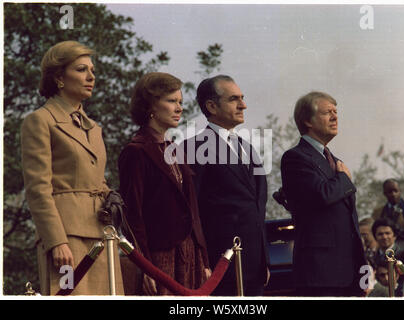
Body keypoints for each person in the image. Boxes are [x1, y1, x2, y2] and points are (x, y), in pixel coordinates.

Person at [21, 41, 124, 295]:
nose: (91, 77)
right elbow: (38, 190)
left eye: (92, 70)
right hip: (67, 238)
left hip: (103, 235)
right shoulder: (40, 121)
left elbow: (97, 181)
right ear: (59, 78)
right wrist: (56, 241)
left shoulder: (95, 128)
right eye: (81, 69)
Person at [118, 72, 211, 295]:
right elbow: (133, 216)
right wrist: (144, 267)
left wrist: (205, 260)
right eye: (171, 101)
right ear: (150, 105)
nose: (179, 108)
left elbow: (193, 211)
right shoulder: (135, 151)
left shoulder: (175, 149)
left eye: (180, 102)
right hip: (160, 256)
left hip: (191, 254)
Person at [184, 75, 269, 296]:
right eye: (234, 99)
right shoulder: (192, 149)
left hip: (255, 269)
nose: (243, 105)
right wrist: (201, 263)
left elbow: (258, 208)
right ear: (211, 106)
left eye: (242, 98)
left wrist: (264, 261)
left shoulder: (250, 149)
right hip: (218, 267)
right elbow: (192, 213)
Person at [280, 91, 367, 297]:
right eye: (328, 112)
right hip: (319, 273)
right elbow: (321, 196)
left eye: (336, 112)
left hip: (349, 272)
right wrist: (344, 179)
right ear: (307, 121)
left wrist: (363, 270)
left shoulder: (335, 161)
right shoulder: (295, 157)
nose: (335, 117)